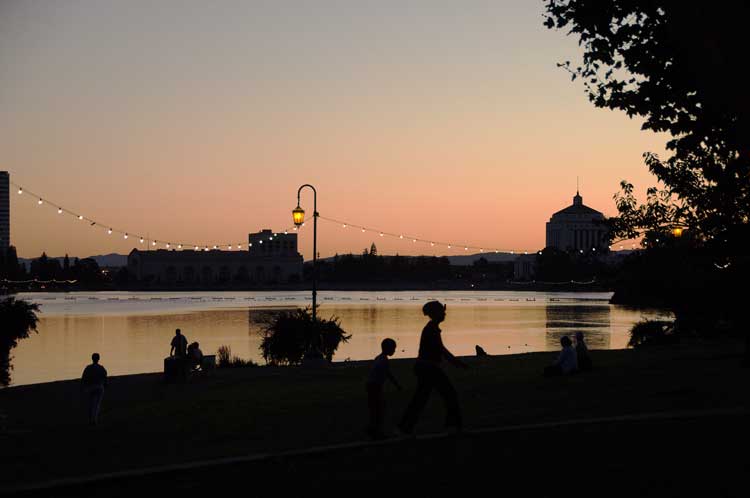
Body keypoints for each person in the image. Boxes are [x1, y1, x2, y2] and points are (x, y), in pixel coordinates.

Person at [398, 301, 468, 435]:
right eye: (442, 312)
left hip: (426, 367)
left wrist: (455, 362)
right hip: (428, 368)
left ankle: (404, 427)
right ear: (436, 313)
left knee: (421, 399)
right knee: (449, 395)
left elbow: (440, 349)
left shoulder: (432, 328)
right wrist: (456, 362)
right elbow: (441, 350)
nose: (444, 314)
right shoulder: (431, 329)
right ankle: (453, 426)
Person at [365, 338, 402, 440]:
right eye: (393, 349)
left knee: (376, 408)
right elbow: (389, 375)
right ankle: (377, 431)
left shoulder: (379, 358)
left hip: (372, 385)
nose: (394, 350)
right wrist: (397, 385)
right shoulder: (384, 360)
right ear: (388, 349)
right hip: (375, 386)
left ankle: (373, 429)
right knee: (379, 409)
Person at [81, 353, 108, 425]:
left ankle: (91, 419)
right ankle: (94, 420)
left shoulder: (88, 368)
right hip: (99, 387)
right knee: (97, 404)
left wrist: (83, 387)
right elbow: (105, 377)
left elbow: (83, 378)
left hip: (90, 387)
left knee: (91, 404)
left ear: (92, 359)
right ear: (98, 359)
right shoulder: (101, 368)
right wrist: (105, 385)